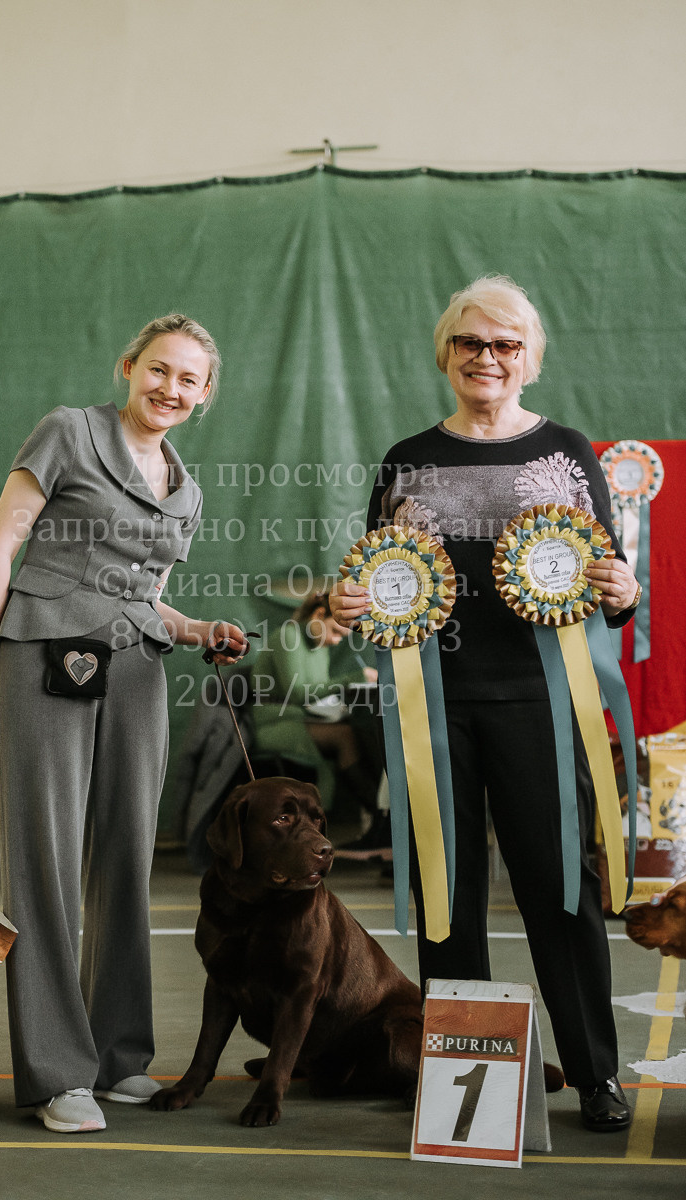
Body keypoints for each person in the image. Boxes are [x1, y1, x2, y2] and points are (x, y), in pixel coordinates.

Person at [330, 276, 641, 1131]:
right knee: (445, 893)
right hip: (435, 707)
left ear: (529, 358)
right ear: (446, 352)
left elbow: (607, 579)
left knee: (561, 890)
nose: (487, 359)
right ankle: (461, 1080)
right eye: (471, 344)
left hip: (541, 702)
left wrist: (621, 590)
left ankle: (593, 1074)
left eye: (505, 345)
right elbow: (376, 575)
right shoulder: (405, 457)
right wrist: (349, 602)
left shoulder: (567, 452)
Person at [0, 314, 249, 1133]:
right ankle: (57, 1073)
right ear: (129, 367)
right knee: (44, 863)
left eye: (188, 380)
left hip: (137, 669)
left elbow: (144, 595)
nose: (170, 389)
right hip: (41, 653)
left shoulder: (185, 490)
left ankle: (118, 1054)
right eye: (158, 370)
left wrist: (198, 631)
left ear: (203, 396)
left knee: (125, 855)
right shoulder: (67, 431)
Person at [250, 593, 381, 821]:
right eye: (335, 632)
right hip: (273, 722)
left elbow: (317, 692)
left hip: (304, 717)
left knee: (360, 730)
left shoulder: (320, 645)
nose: (336, 641)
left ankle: (379, 811)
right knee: (346, 737)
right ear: (319, 614)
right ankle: (377, 812)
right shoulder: (288, 636)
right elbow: (301, 693)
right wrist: (356, 676)